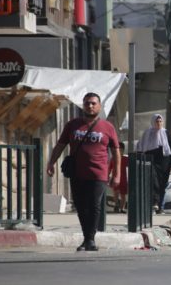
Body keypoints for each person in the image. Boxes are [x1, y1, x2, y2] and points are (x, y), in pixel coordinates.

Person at [46, 92, 121, 252]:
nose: (90, 106)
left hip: (99, 173)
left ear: (99, 106)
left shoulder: (107, 127)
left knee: (94, 205)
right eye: (87, 103)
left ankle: (90, 239)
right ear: (83, 105)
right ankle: (87, 238)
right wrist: (51, 162)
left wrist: (117, 174)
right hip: (77, 173)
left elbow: (116, 152)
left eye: (94, 103)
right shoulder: (73, 125)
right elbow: (60, 145)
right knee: (80, 206)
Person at [137, 114, 171, 214]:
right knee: (153, 181)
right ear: (153, 122)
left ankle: (160, 207)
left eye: (160, 122)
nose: (158, 124)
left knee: (163, 184)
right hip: (151, 161)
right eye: (157, 122)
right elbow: (141, 147)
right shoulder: (148, 133)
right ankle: (154, 202)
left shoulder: (166, 133)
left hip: (165, 162)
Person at [109, 142, 128, 213]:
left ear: (123, 150)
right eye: (118, 149)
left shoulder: (126, 159)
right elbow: (109, 168)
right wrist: (108, 176)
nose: (119, 151)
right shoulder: (113, 159)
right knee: (116, 192)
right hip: (115, 178)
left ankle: (122, 208)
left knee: (123, 194)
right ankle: (116, 205)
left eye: (120, 149)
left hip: (124, 179)